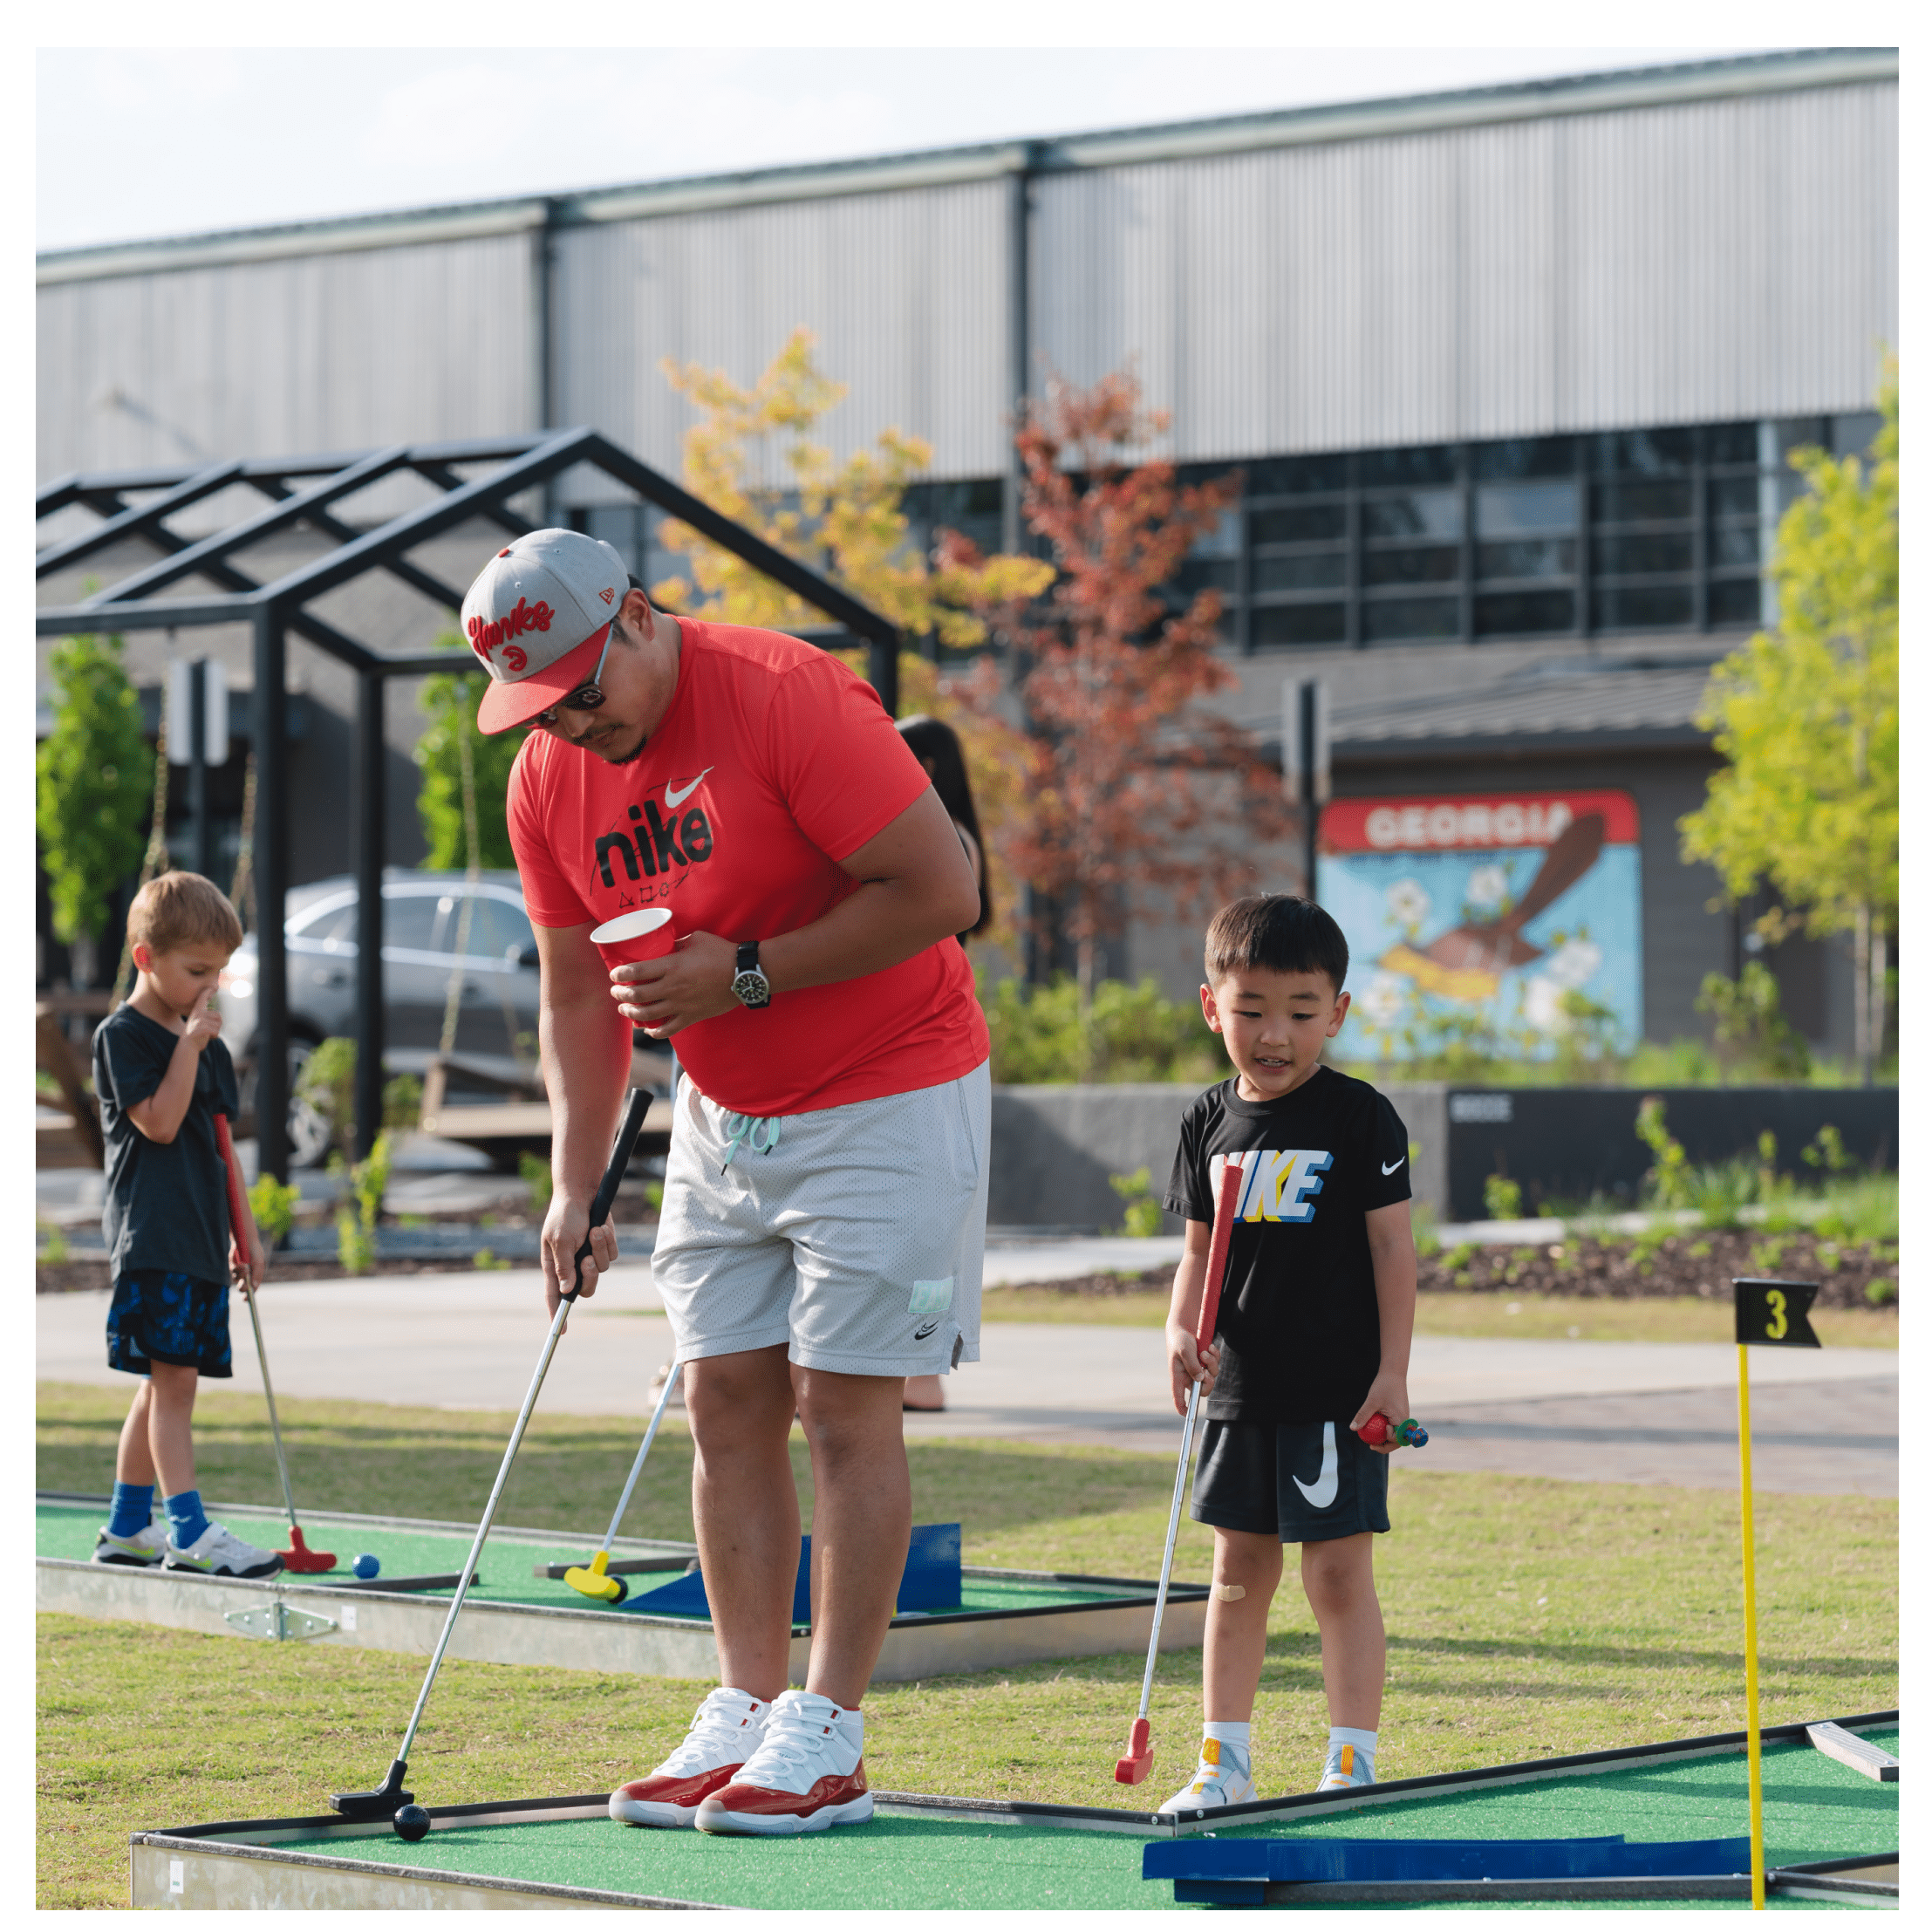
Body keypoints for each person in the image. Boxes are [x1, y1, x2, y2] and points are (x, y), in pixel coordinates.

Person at [468, 530, 987, 1838]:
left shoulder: (786, 693)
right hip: (722, 1112)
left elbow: (943, 889)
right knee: (722, 1402)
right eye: (542, 708)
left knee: (844, 1406)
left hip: (889, 1082)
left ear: (638, 616)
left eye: (584, 690)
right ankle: (746, 1705)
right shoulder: (548, 779)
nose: (573, 727)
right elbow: (577, 987)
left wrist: (746, 971)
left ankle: (829, 1729)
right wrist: (574, 1183)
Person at [1157, 894, 1417, 1813]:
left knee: (1336, 1572)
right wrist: (1178, 1329)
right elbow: (1196, 1248)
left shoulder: (1360, 1118)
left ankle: (1351, 1758)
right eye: (1252, 1009)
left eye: (1302, 1013)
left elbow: (1393, 1249)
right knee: (1235, 1574)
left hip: (1334, 1396)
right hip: (1237, 1393)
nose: (1275, 1034)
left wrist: (1391, 1372)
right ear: (1210, 1006)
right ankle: (1220, 1763)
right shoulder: (1204, 1121)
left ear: (1336, 1014)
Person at [90, 871, 276, 1579]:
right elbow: (160, 1123)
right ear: (146, 958)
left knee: (160, 1381)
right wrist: (191, 1046)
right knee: (175, 1384)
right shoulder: (125, 1036)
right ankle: (189, 1530)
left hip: (199, 1237)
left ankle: (127, 1525)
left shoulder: (210, 1048)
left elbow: (222, 1144)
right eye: (197, 971)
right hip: (153, 1236)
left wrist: (247, 1232)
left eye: (219, 973)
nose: (211, 988)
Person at [894, 713, 989, 1413]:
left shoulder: (945, 839)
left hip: (925, 1043)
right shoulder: (947, 835)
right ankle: (913, 1368)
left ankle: (922, 1368)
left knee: (926, 1222)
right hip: (918, 1040)